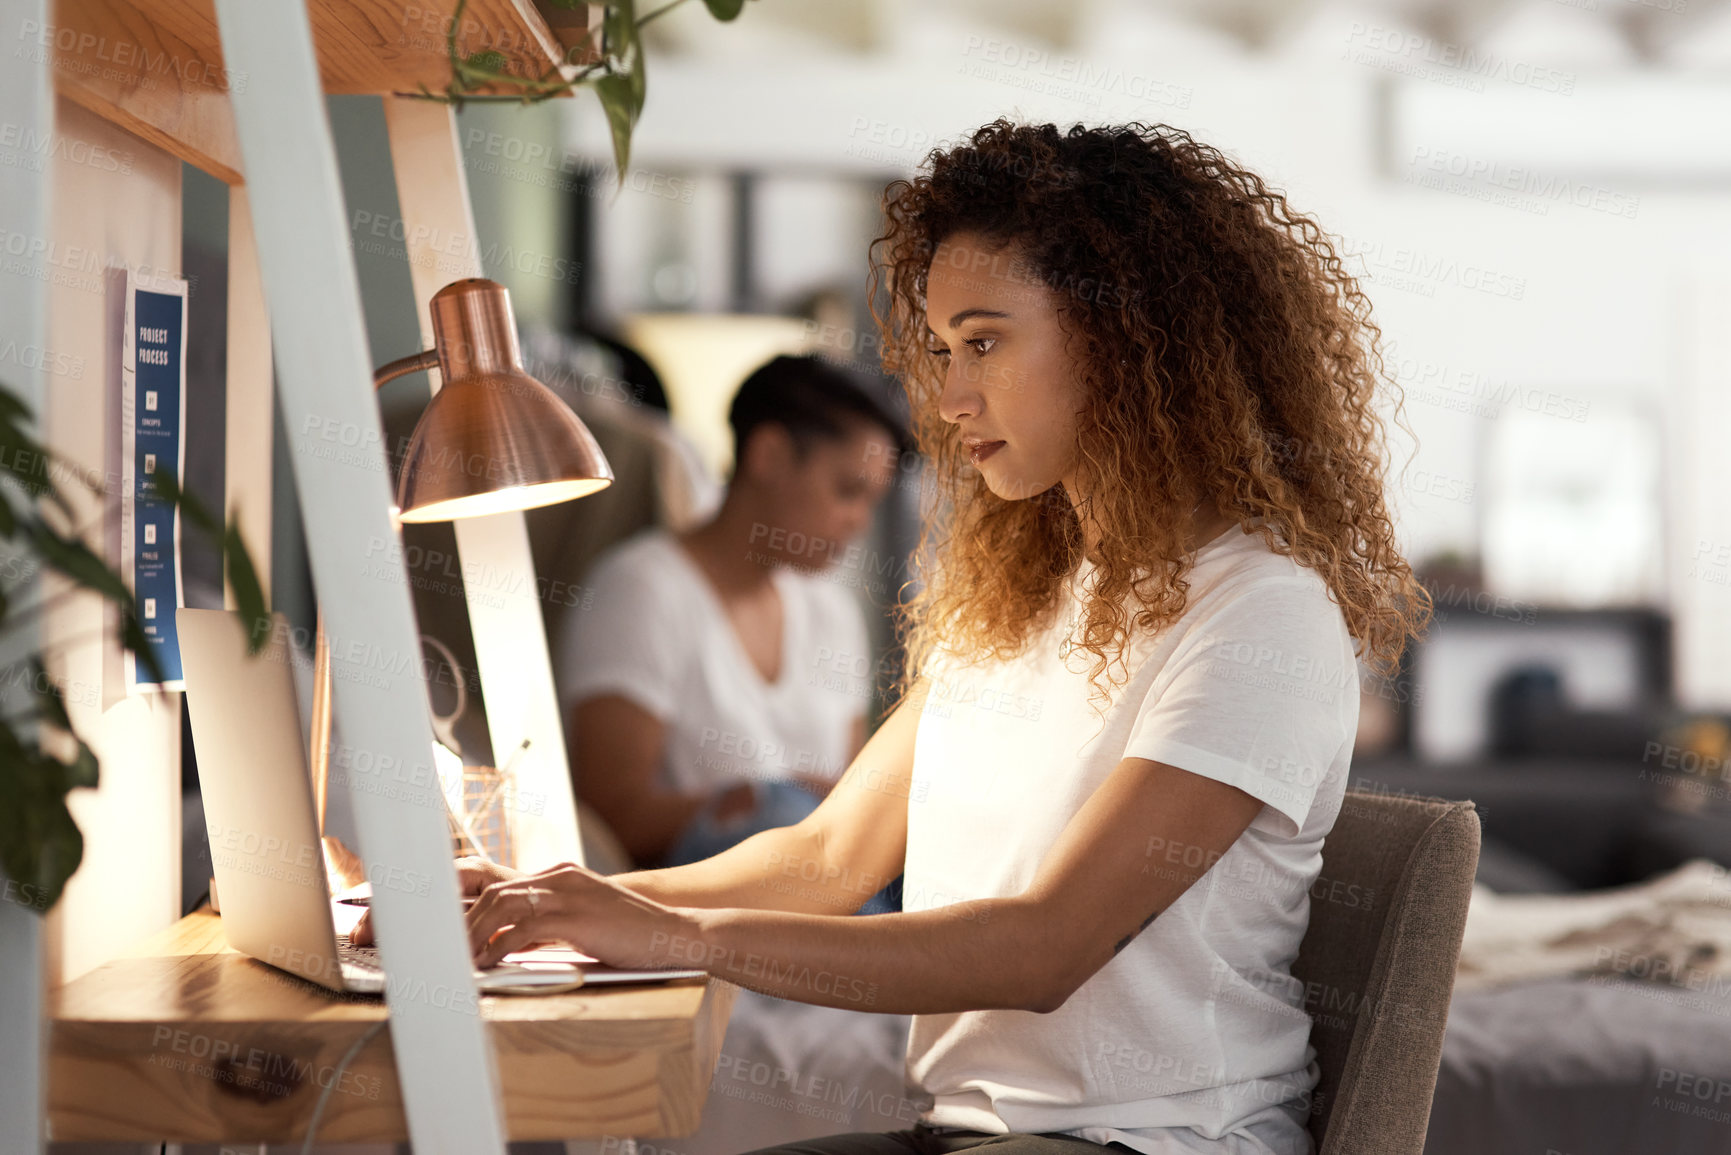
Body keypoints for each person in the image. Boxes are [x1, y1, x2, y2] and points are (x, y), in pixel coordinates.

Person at [357, 119, 1429, 1155]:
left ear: (1121, 337)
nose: (950, 399)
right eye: (939, 349)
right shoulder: (1028, 596)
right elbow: (826, 859)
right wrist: (550, 897)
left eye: (984, 344)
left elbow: (1043, 950)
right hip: (965, 1131)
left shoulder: (1261, 611)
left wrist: (674, 937)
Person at [557, 353, 911, 878]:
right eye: (846, 491)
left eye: (871, 502)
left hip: (819, 897)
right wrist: (773, 800)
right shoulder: (642, 590)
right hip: (691, 904)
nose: (858, 522)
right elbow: (612, 815)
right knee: (784, 812)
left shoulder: (832, 613)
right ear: (767, 455)